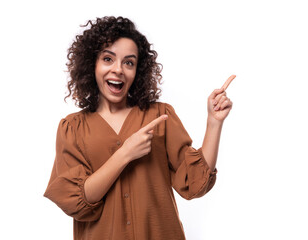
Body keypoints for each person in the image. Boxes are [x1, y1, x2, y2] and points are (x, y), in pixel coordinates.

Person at [43, 16, 234, 240]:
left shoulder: (160, 116)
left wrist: (214, 122)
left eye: (129, 62)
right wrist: (125, 153)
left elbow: (195, 183)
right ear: (91, 64)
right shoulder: (72, 128)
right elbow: (78, 201)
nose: (118, 70)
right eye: (108, 59)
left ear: (138, 71)